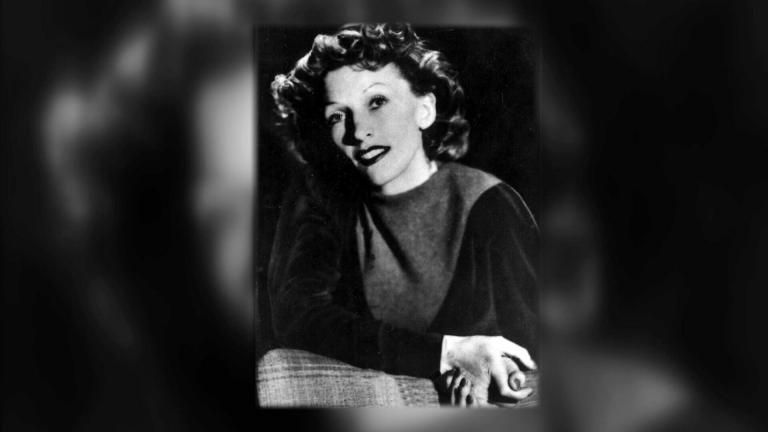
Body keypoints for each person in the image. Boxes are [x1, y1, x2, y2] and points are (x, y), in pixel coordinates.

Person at [267, 23, 538, 406]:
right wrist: (447, 354)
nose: (357, 131)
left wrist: (499, 368)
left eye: (377, 101)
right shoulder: (324, 200)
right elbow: (297, 317)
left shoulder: (490, 204)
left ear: (425, 110)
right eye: (337, 116)